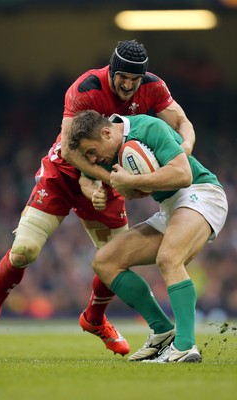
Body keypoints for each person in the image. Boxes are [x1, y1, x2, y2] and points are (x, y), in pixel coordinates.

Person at [0, 39, 194, 358]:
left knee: (116, 260)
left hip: (109, 178)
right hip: (64, 175)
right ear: (112, 69)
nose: (128, 84)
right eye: (122, 76)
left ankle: (94, 319)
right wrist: (110, 180)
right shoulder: (86, 88)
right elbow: (70, 149)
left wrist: (186, 147)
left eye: (134, 79)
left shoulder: (152, 86)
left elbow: (181, 121)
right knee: (24, 250)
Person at [68, 110, 228, 363]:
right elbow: (89, 180)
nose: (93, 158)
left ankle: (185, 346)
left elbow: (183, 176)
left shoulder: (149, 128)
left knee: (169, 257)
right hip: (170, 207)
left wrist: (132, 181)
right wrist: (95, 191)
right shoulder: (106, 151)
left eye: (92, 151)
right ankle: (162, 331)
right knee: (105, 261)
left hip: (202, 193)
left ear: (107, 132)